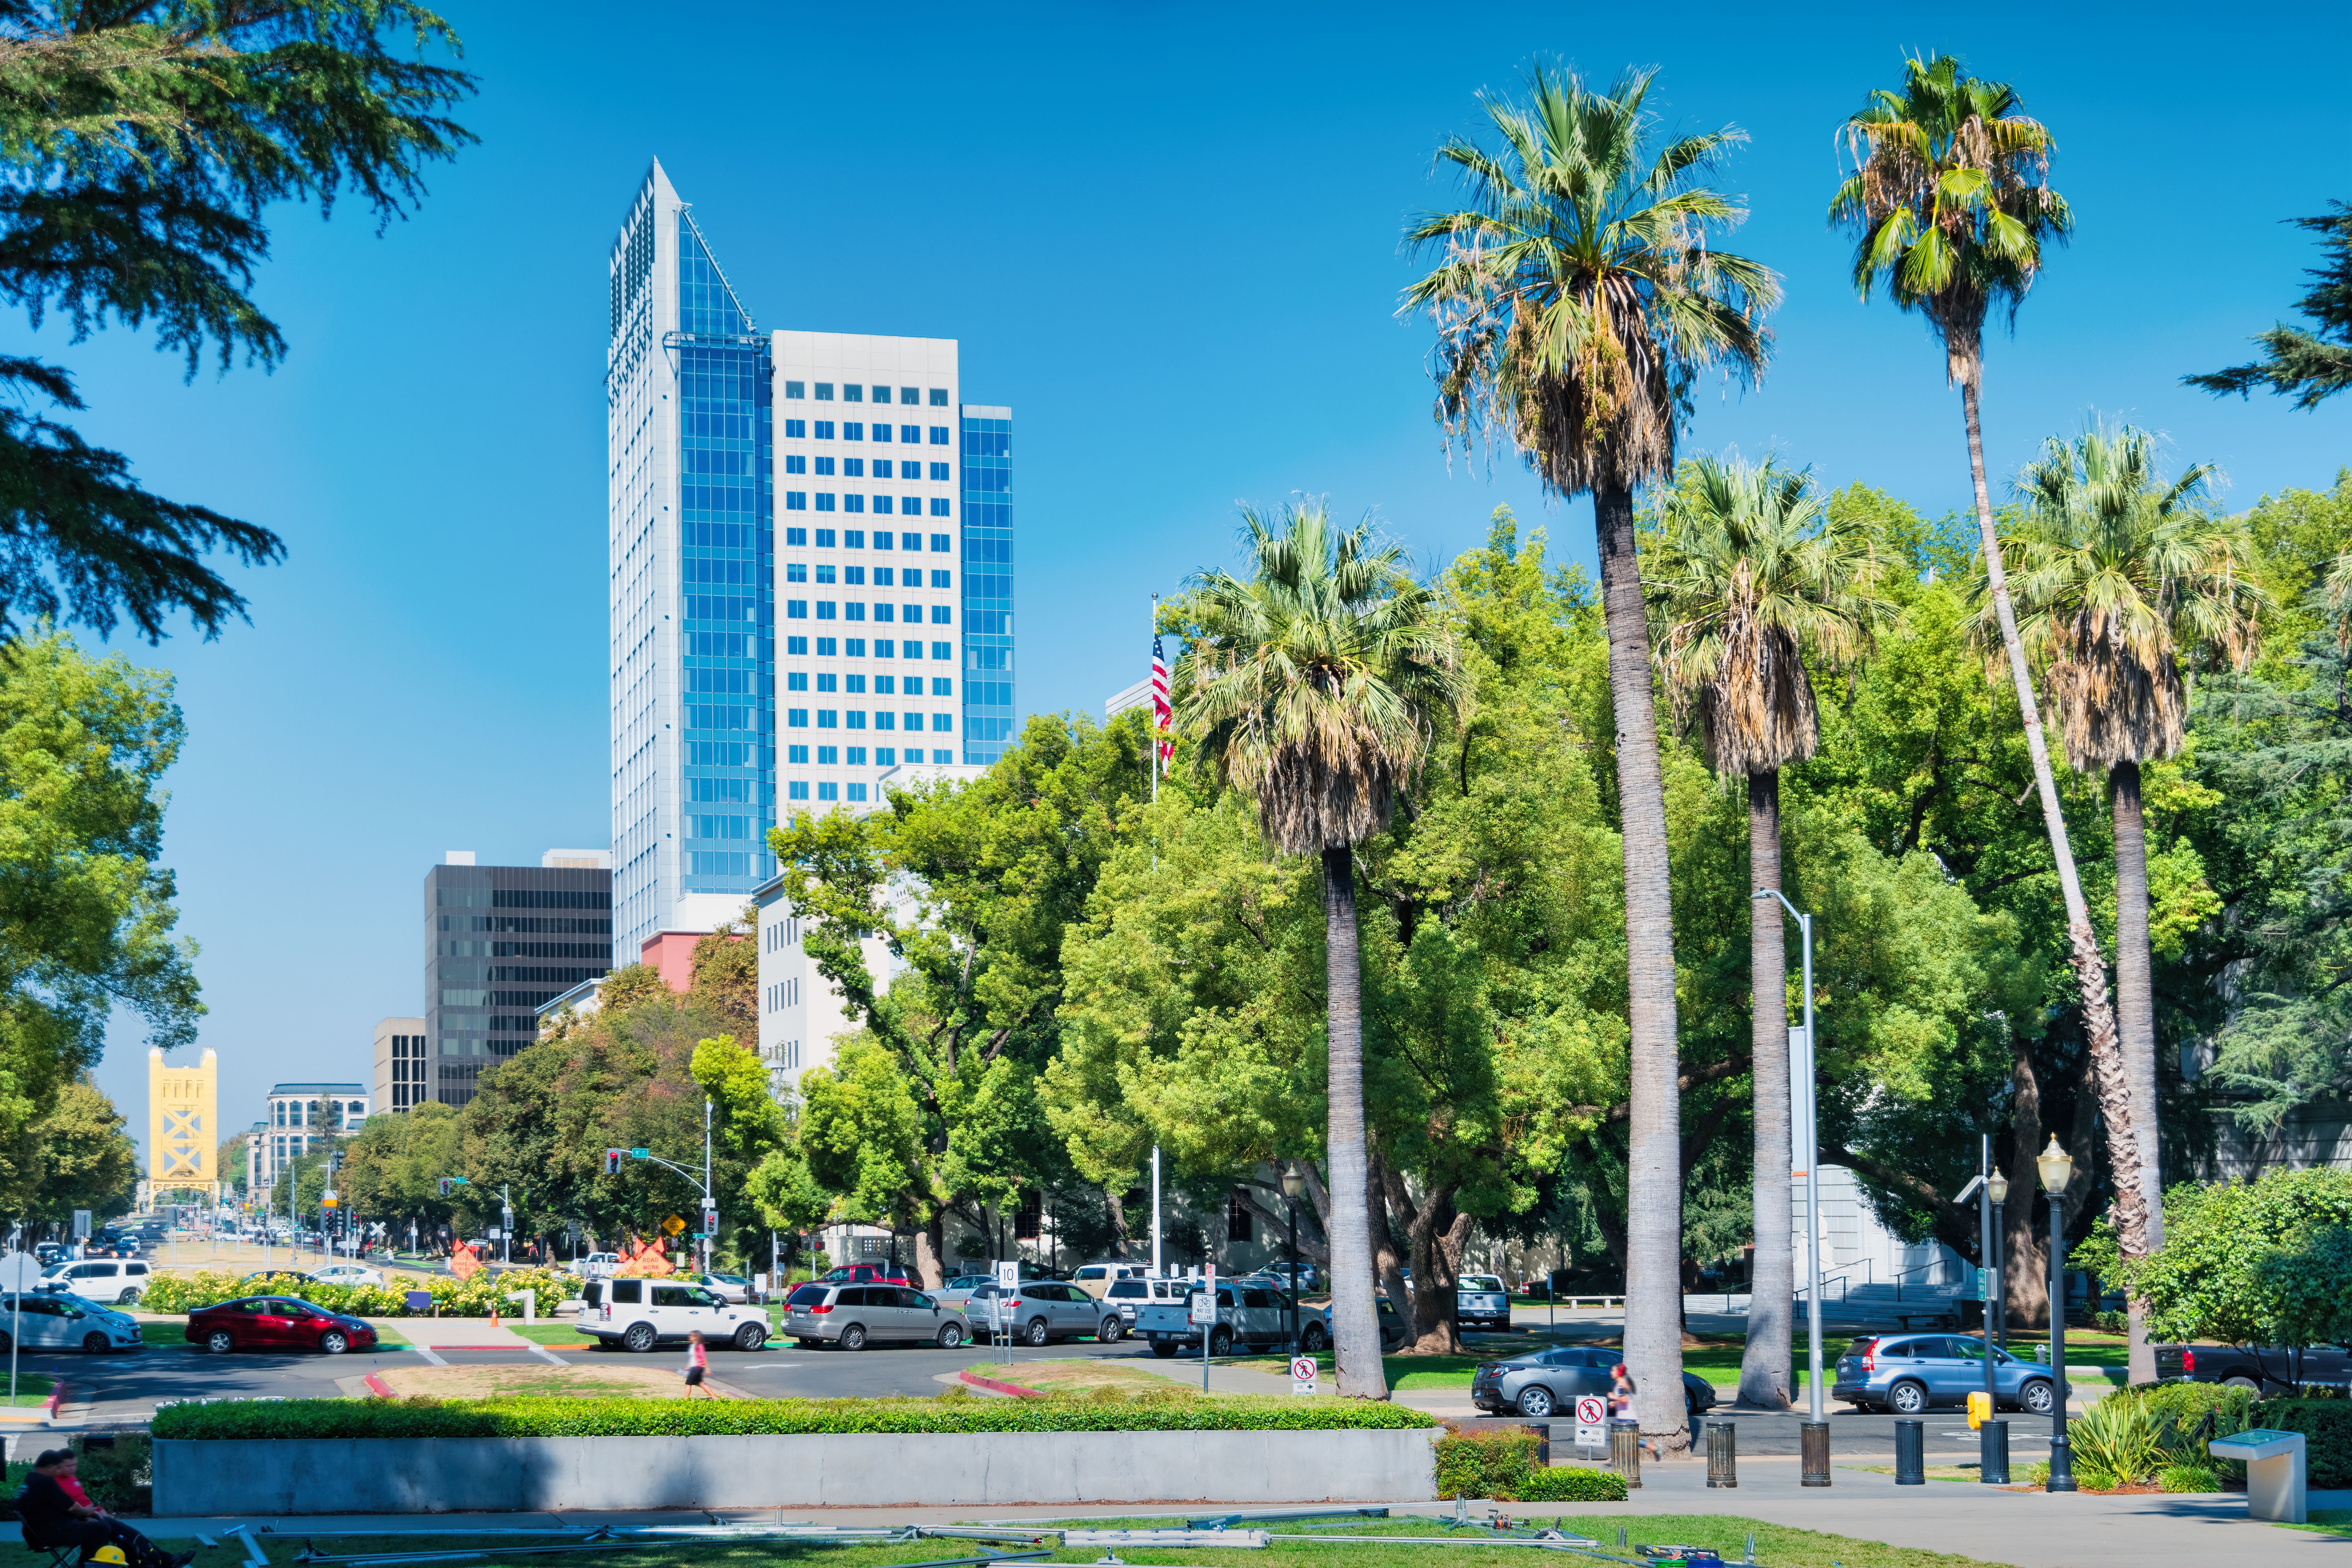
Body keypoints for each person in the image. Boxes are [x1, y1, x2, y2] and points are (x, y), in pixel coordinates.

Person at [15, 1450, 190, 1568]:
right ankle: (91, 1564)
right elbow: (74, 1508)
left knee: (107, 1523)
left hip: (44, 1531)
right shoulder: (44, 1481)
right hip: (49, 1533)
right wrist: (87, 1512)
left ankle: (153, 1560)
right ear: (50, 1467)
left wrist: (87, 1514)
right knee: (102, 1527)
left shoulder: (31, 1480)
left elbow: (57, 1508)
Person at [683, 1329, 710, 1398]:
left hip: (698, 1367)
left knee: (688, 1384)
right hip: (694, 1367)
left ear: (696, 1337)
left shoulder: (699, 1346)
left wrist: (707, 1369)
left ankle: (685, 1399)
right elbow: (693, 1358)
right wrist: (688, 1366)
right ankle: (714, 1398)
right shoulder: (693, 1346)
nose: (690, 1337)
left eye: (692, 1336)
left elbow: (704, 1358)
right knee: (701, 1384)